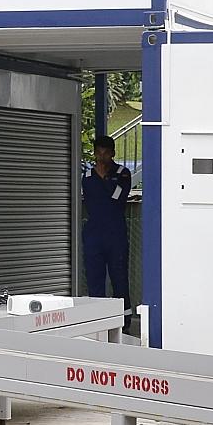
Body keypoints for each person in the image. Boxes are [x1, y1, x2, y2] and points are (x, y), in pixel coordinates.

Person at [81, 134, 132, 313]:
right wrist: (100, 178)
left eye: (106, 154)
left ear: (113, 154)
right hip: (94, 235)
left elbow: (116, 197)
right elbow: (92, 200)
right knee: (95, 279)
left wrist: (104, 177)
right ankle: (98, 318)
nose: (102, 158)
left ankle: (124, 318)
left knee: (119, 278)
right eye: (98, 154)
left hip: (115, 235)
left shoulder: (123, 174)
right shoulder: (87, 176)